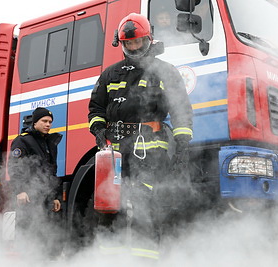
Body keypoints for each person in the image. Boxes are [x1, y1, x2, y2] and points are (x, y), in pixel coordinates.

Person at [88, 13, 193, 259]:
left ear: (149, 40)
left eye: (138, 42)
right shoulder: (110, 74)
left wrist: (182, 145)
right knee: (109, 205)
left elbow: (181, 110)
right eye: (129, 43)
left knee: (145, 204)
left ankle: (144, 261)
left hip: (150, 148)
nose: (134, 47)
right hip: (114, 151)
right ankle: (110, 260)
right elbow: (96, 108)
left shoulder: (166, 71)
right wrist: (99, 131)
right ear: (121, 44)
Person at [8, 107, 63, 259]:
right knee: (28, 236)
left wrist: (55, 196)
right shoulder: (22, 140)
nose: (48, 124)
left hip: (45, 198)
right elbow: (14, 167)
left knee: (45, 235)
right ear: (35, 122)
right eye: (44, 121)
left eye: (50, 122)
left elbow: (51, 173)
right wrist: (20, 190)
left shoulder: (50, 143)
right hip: (28, 196)